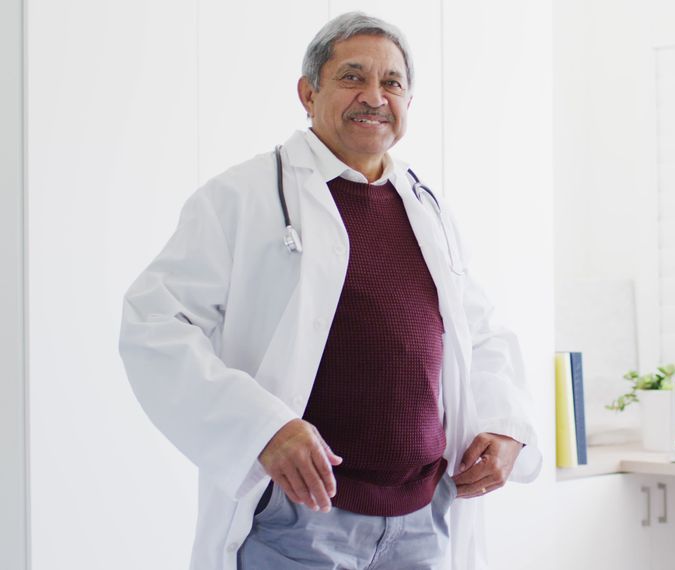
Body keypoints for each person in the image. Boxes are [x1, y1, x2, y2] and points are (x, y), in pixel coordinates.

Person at [118, 11, 540, 570]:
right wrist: (263, 428)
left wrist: (502, 424)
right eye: (352, 77)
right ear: (307, 91)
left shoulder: (426, 207)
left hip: (423, 521)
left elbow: (479, 333)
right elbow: (154, 326)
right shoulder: (242, 197)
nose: (374, 96)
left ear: (408, 101)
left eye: (392, 82)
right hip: (300, 524)